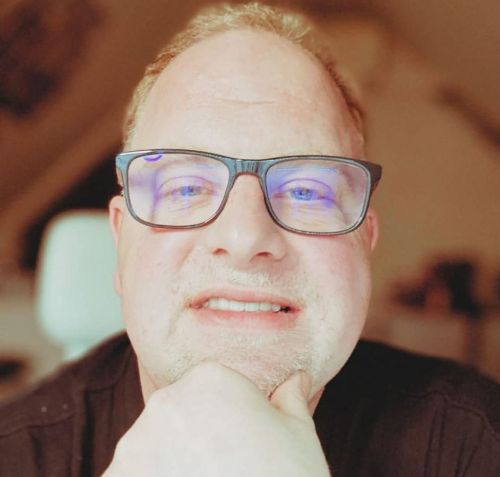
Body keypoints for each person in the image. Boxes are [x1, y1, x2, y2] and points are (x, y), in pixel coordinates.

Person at [1, 3, 499, 476]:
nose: (243, 237)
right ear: (120, 241)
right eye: (187, 187)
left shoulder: (476, 444)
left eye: (306, 190)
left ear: (365, 244)